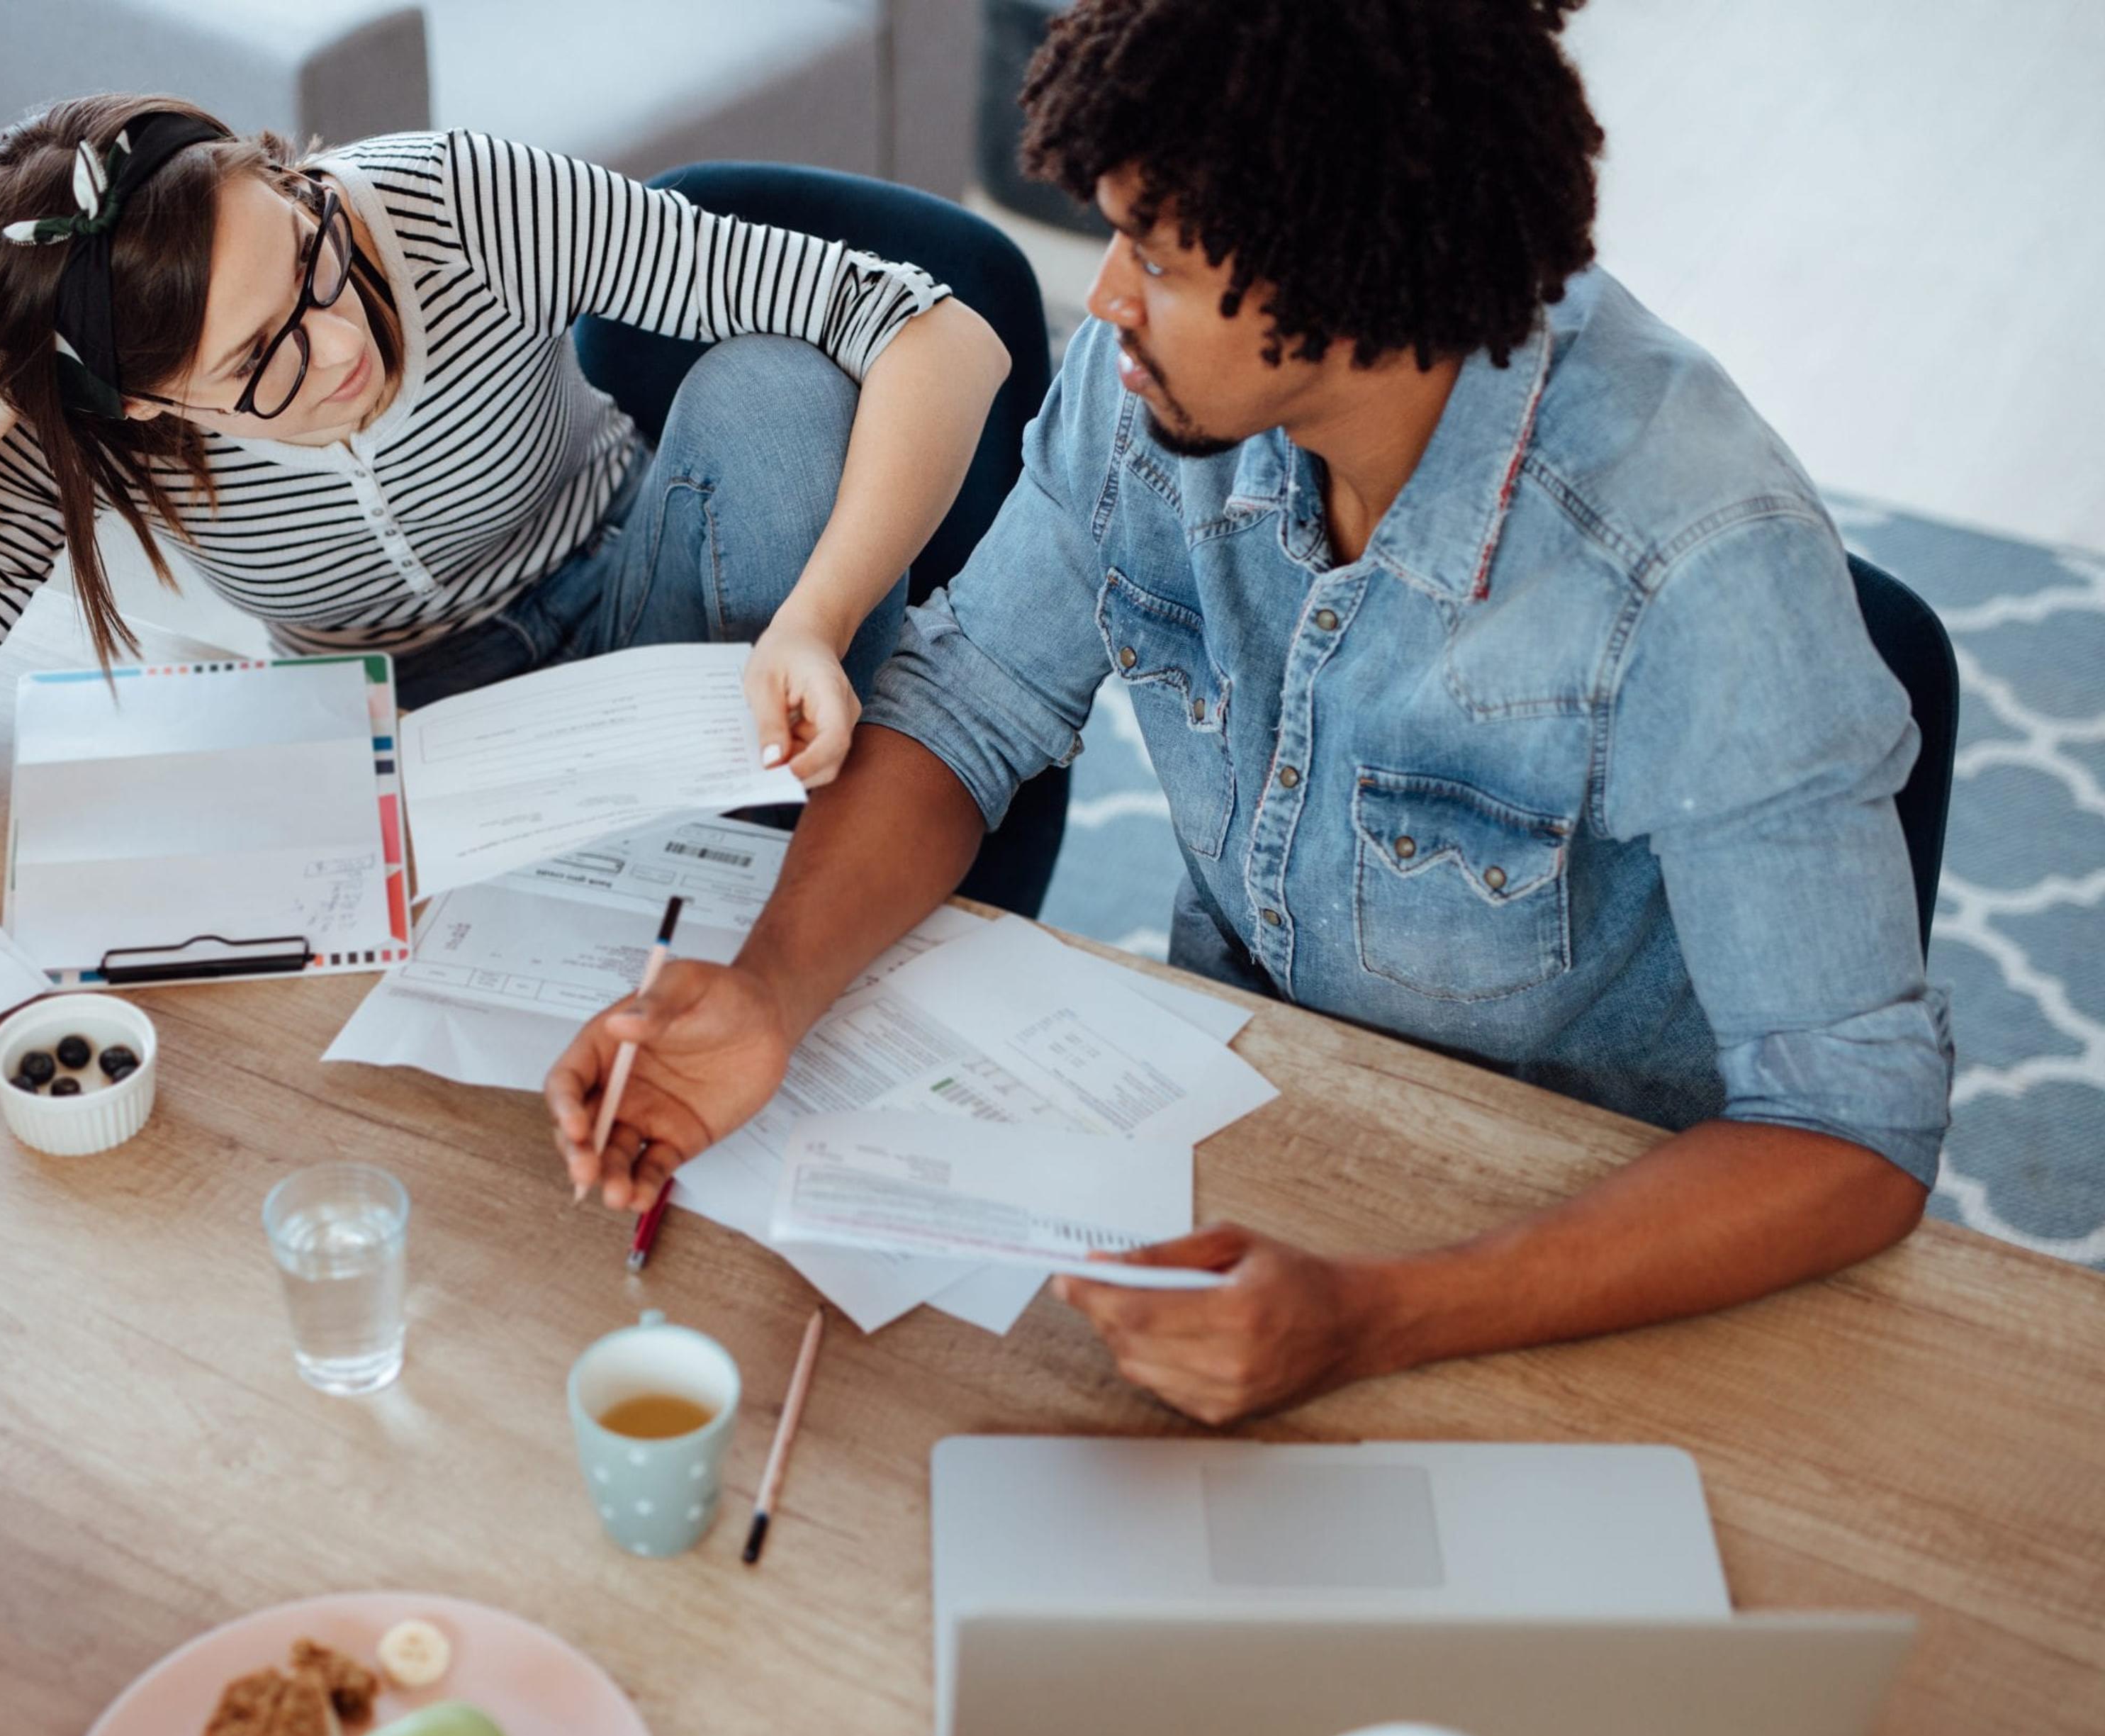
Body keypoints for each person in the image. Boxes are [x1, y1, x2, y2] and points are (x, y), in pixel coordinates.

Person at [544, 0, 1955, 1424]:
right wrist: (766, 990)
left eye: (1154, 256)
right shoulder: (1143, 388)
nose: (1100, 301)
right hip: (1233, 1124)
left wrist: (1375, 1316)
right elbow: (973, 699)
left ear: (1340, 267)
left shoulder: (1700, 566)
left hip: (1571, 1241)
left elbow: (1847, 1132)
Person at [0, 94, 1009, 811]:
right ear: (141, 406)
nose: (343, 342)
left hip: (645, 595)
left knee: (776, 390)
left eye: (309, 256)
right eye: (260, 360)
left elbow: (946, 336)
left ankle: (799, 825)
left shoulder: (448, 199)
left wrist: (816, 616)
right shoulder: (88, 430)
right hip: (407, 726)